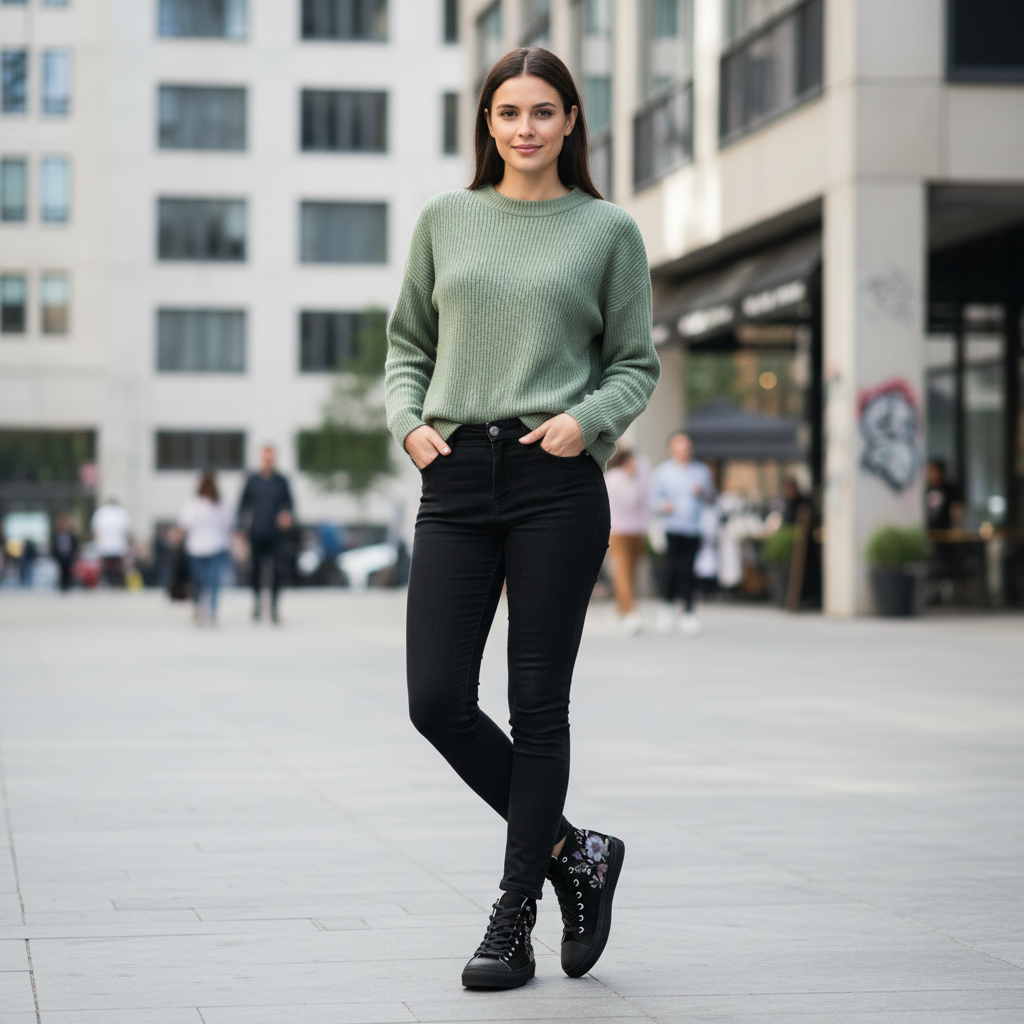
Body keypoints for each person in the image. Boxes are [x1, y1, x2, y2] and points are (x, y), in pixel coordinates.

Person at [385, 48, 660, 991]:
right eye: (509, 112)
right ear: (488, 125)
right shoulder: (447, 220)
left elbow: (636, 362)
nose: (527, 128)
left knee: (538, 706)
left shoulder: (607, 230)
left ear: (573, 121)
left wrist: (588, 421)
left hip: (555, 480)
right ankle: (574, 851)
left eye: (545, 111)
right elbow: (406, 346)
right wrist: (411, 430)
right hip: (455, 478)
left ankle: (513, 917)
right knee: (437, 701)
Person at [651, 432, 716, 635]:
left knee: (689, 569)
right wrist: (664, 506)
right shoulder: (663, 472)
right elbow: (653, 500)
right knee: (671, 568)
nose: (683, 451)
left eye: (687, 447)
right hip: (672, 527)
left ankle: (688, 610)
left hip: (694, 528)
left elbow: (712, 497)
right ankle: (666, 606)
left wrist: (702, 493)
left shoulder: (701, 471)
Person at [237, 445, 294, 623]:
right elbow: (242, 506)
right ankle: (256, 604)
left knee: (277, 570)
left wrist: (286, 516)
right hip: (256, 532)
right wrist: (240, 530)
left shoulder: (281, 481)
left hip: (276, 534)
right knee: (255, 570)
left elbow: (289, 504)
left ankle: (274, 607)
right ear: (261, 459)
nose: (268, 461)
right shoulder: (252, 480)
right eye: (265, 457)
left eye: (271, 458)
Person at [604, 447, 651, 634]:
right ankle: (631, 612)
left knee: (632, 572)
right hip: (618, 531)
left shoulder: (640, 479)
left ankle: (620, 610)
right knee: (622, 571)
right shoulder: (614, 479)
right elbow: (625, 502)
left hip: (637, 530)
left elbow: (646, 503)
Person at [180, 472, 234, 625]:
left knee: (214, 581)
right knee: (198, 581)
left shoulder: (221, 503)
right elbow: (185, 523)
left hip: (217, 547)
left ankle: (212, 611)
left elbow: (229, 523)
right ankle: (197, 608)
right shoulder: (193, 503)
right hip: (196, 548)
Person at [90, 497, 132, 587]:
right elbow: (128, 532)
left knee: (110, 567)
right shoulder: (121, 513)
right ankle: (114, 583)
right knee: (114, 567)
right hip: (116, 545)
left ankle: (111, 582)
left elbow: (95, 531)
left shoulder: (101, 513)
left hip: (108, 545)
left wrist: (98, 543)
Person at [53, 514, 79, 592]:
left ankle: (68, 585)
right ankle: (62, 585)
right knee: (61, 571)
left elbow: (74, 546)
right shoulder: (58, 535)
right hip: (60, 556)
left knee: (68, 571)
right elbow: (55, 546)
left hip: (69, 556)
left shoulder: (71, 535)